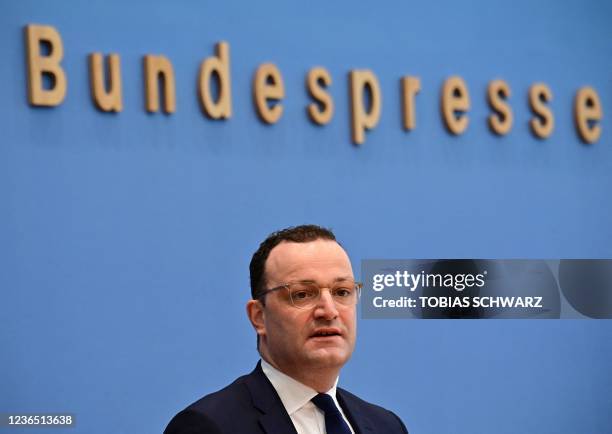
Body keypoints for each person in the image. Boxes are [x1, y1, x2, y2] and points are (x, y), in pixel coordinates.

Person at [164, 225, 408, 434]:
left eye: (342, 292)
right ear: (259, 317)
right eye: (302, 294)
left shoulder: (386, 425)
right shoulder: (209, 426)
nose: (329, 310)